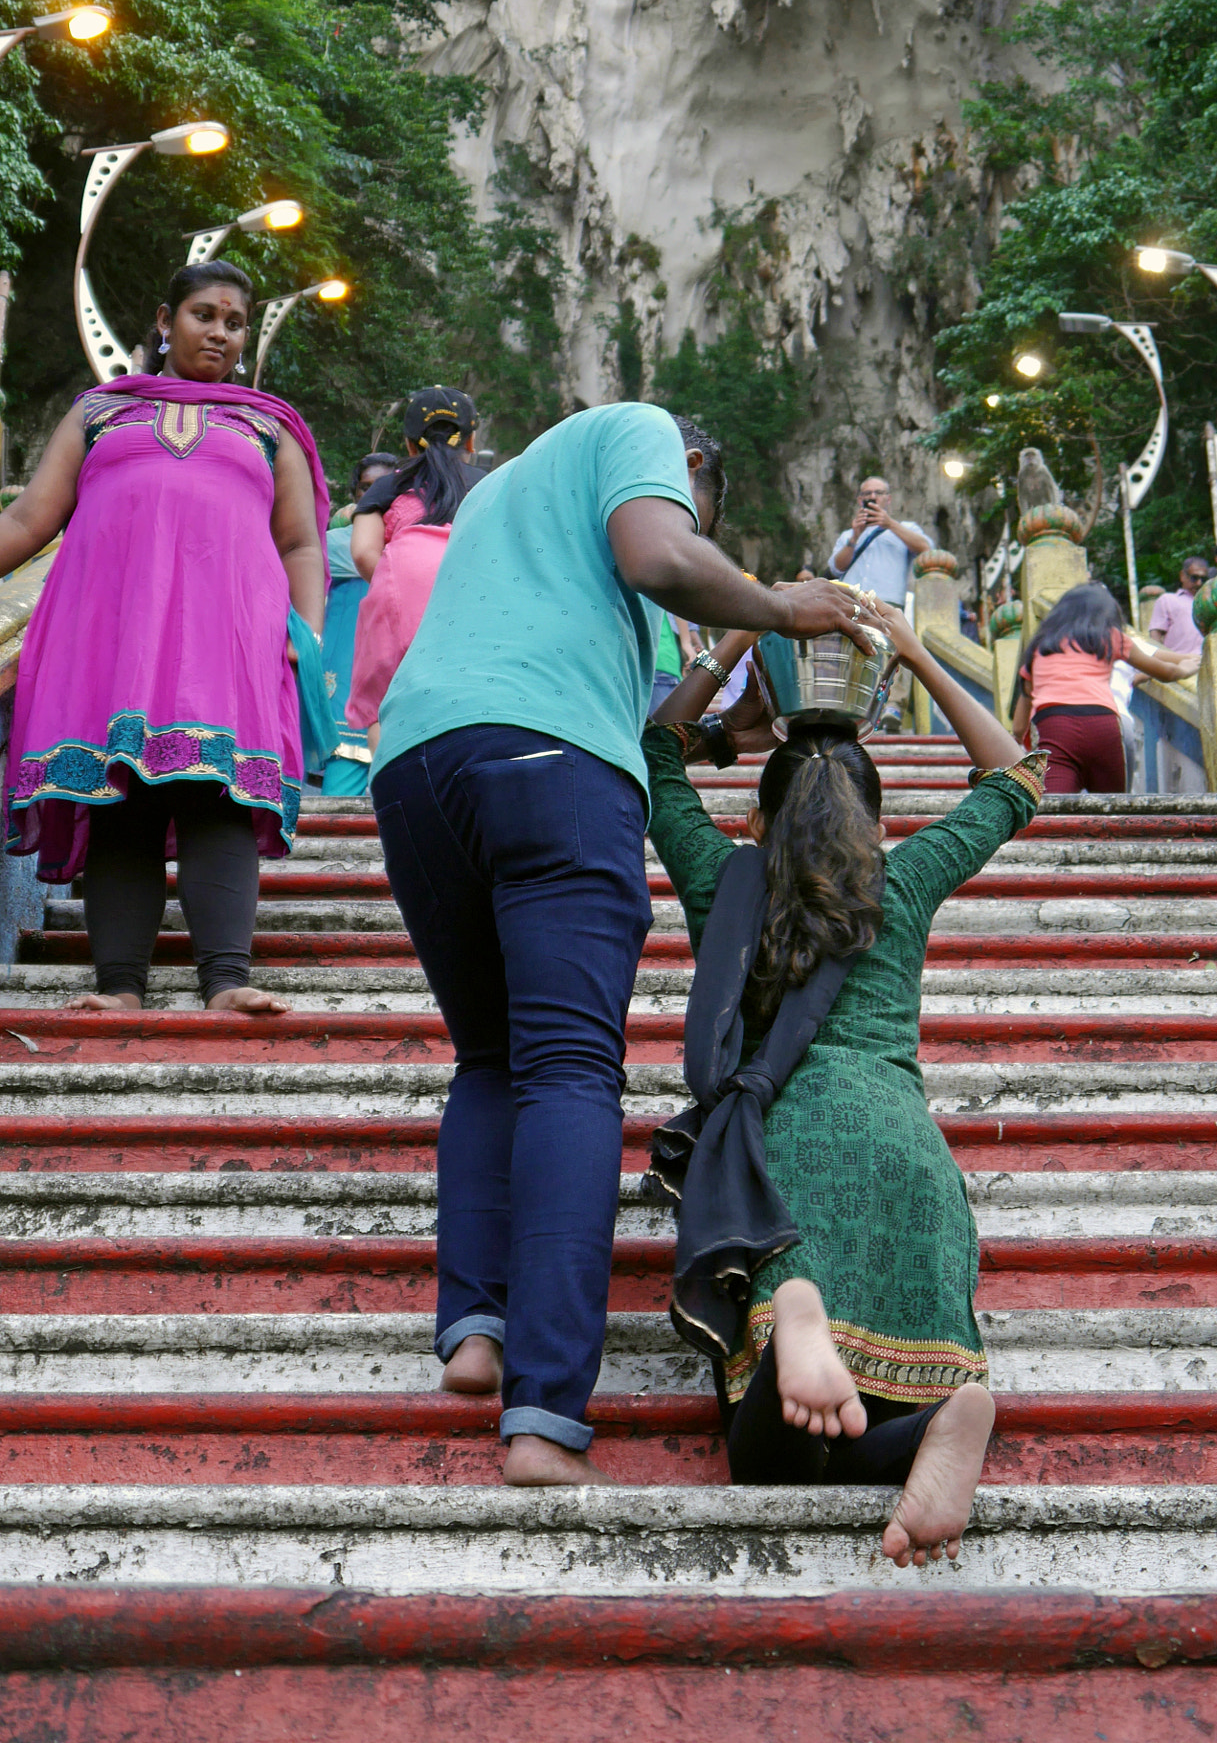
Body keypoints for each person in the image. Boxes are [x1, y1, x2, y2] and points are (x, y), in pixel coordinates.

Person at [369, 402, 871, 1487]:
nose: (685, 514)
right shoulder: (639, 428)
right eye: (697, 503)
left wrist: (734, 709)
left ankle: (474, 1330)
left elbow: (660, 707)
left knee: (489, 1059)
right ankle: (544, 1411)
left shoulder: (502, 495)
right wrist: (780, 604)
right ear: (687, 466)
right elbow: (661, 554)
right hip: (553, 768)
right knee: (567, 1071)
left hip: (416, 764)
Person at [642, 605, 1047, 1566]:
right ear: (879, 821)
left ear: (755, 821)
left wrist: (738, 638)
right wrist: (913, 652)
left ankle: (795, 1315)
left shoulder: (723, 876)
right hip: (902, 1152)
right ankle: (941, 1423)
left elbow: (654, 757)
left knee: (770, 1455)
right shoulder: (899, 884)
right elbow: (1018, 777)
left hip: (781, 1158)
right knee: (867, 1412)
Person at [0, 260, 328, 1012]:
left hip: (230, 634)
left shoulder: (268, 424)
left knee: (218, 790)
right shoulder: (98, 412)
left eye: (234, 322)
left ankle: (227, 983)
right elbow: (27, 521)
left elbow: (303, 546)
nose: (219, 332)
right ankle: (119, 989)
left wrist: (304, 634)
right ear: (164, 318)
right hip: (110, 630)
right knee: (126, 797)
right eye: (204, 315)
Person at [345, 389, 486, 750]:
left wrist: (398, 584)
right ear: (471, 439)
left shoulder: (386, 486)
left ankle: (389, 797)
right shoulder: (491, 484)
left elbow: (363, 553)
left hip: (401, 594)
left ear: (409, 445)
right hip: (471, 598)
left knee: (387, 703)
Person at [1010, 582, 1197, 793]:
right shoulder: (1110, 637)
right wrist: (1187, 668)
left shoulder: (1040, 646)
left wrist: (1017, 741)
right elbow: (1166, 672)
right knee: (1110, 811)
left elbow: (1018, 726)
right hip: (1102, 724)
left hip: (1054, 727)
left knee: (1057, 811)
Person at [320, 454, 397, 797]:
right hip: (345, 670)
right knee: (340, 786)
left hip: (394, 670)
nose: (373, 494)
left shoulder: (409, 539)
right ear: (354, 492)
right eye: (366, 487)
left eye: (382, 486)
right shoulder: (336, 545)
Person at [828, 478, 932, 731]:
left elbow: (926, 548)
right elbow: (836, 567)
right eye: (867, 493)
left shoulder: (904, 528)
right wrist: (855, 536)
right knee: (852, 655)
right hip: (851, 603)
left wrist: (889, 524)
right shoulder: (847, 534)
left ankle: (893, 708)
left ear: (888, 498)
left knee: (896, 654)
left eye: (878, 493)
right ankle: (851, 710)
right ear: (859, 499)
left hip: (887, 604)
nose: (872, 496)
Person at [1148, 556, 1210, 657]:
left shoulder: (1209, 602)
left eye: (1203, 579)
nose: (1199, 583)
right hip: (1178, 662)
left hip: (1206, 660)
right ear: (1182, 576)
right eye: (1194, 578)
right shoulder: (1168, 600)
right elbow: (1155, 634)